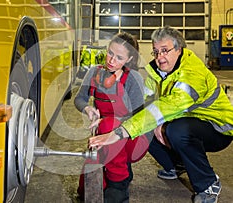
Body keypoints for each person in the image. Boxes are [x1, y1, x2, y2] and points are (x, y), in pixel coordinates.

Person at [88, 26, 233, 203]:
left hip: (218, 127)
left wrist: (118, 133)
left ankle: (208, 184)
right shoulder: (155, 72)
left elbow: (165, 108)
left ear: (179, 49)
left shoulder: (192, 73)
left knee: (175, 131)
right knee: (147, 128)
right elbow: (143, 107)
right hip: (186, 119)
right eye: (156, 52)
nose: (159, 57)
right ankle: (175, 165)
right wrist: (116, 120)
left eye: (165, 50)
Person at [74, 32, 150, 202]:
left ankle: (119, 184)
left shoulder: (133, 79)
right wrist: (87, 109)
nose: (111, 60)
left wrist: (106, 123)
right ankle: (121, 169)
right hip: (103, 133)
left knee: (109, 125)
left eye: (119, 57)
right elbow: (79, 99)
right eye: (110, 53)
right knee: (85, 190)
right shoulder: (94, 72)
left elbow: (138, 118)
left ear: (129, 60)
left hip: (132, 137)